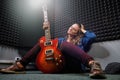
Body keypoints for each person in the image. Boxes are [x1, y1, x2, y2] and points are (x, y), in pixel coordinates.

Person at [0, 22, 106, 79]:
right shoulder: (60, 40)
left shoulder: (82, 41)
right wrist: (47, 30)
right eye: (70, 27)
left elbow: (92, 36)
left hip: (75, 65)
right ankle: (20, 64)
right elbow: (48, 45)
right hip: (61, 65)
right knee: (43, 42)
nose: (70, 29)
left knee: (64, 45)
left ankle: (92, 64)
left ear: (77, 33)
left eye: (74, 29)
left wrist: (82, 29)